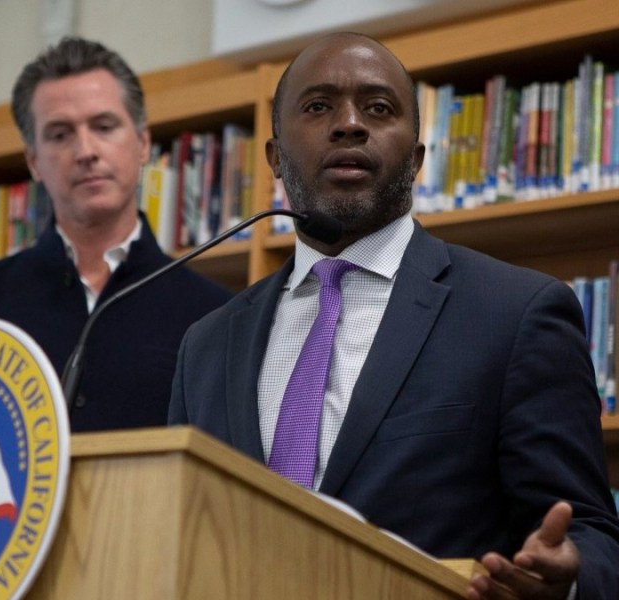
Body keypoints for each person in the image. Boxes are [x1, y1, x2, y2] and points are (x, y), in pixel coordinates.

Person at [168, 32, 619, 598]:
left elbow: (590, 533)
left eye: (378, 108)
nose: (349, 124)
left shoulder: (516, 314)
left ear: (416, 159)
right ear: (275, 158)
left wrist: (567, 581)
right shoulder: (207, 344)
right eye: (318, 106)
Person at [0, 37, 232, 432]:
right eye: (60, 135)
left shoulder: (217, 316)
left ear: (143, 143)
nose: (86, 151)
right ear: (34, 161)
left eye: (104, 127)